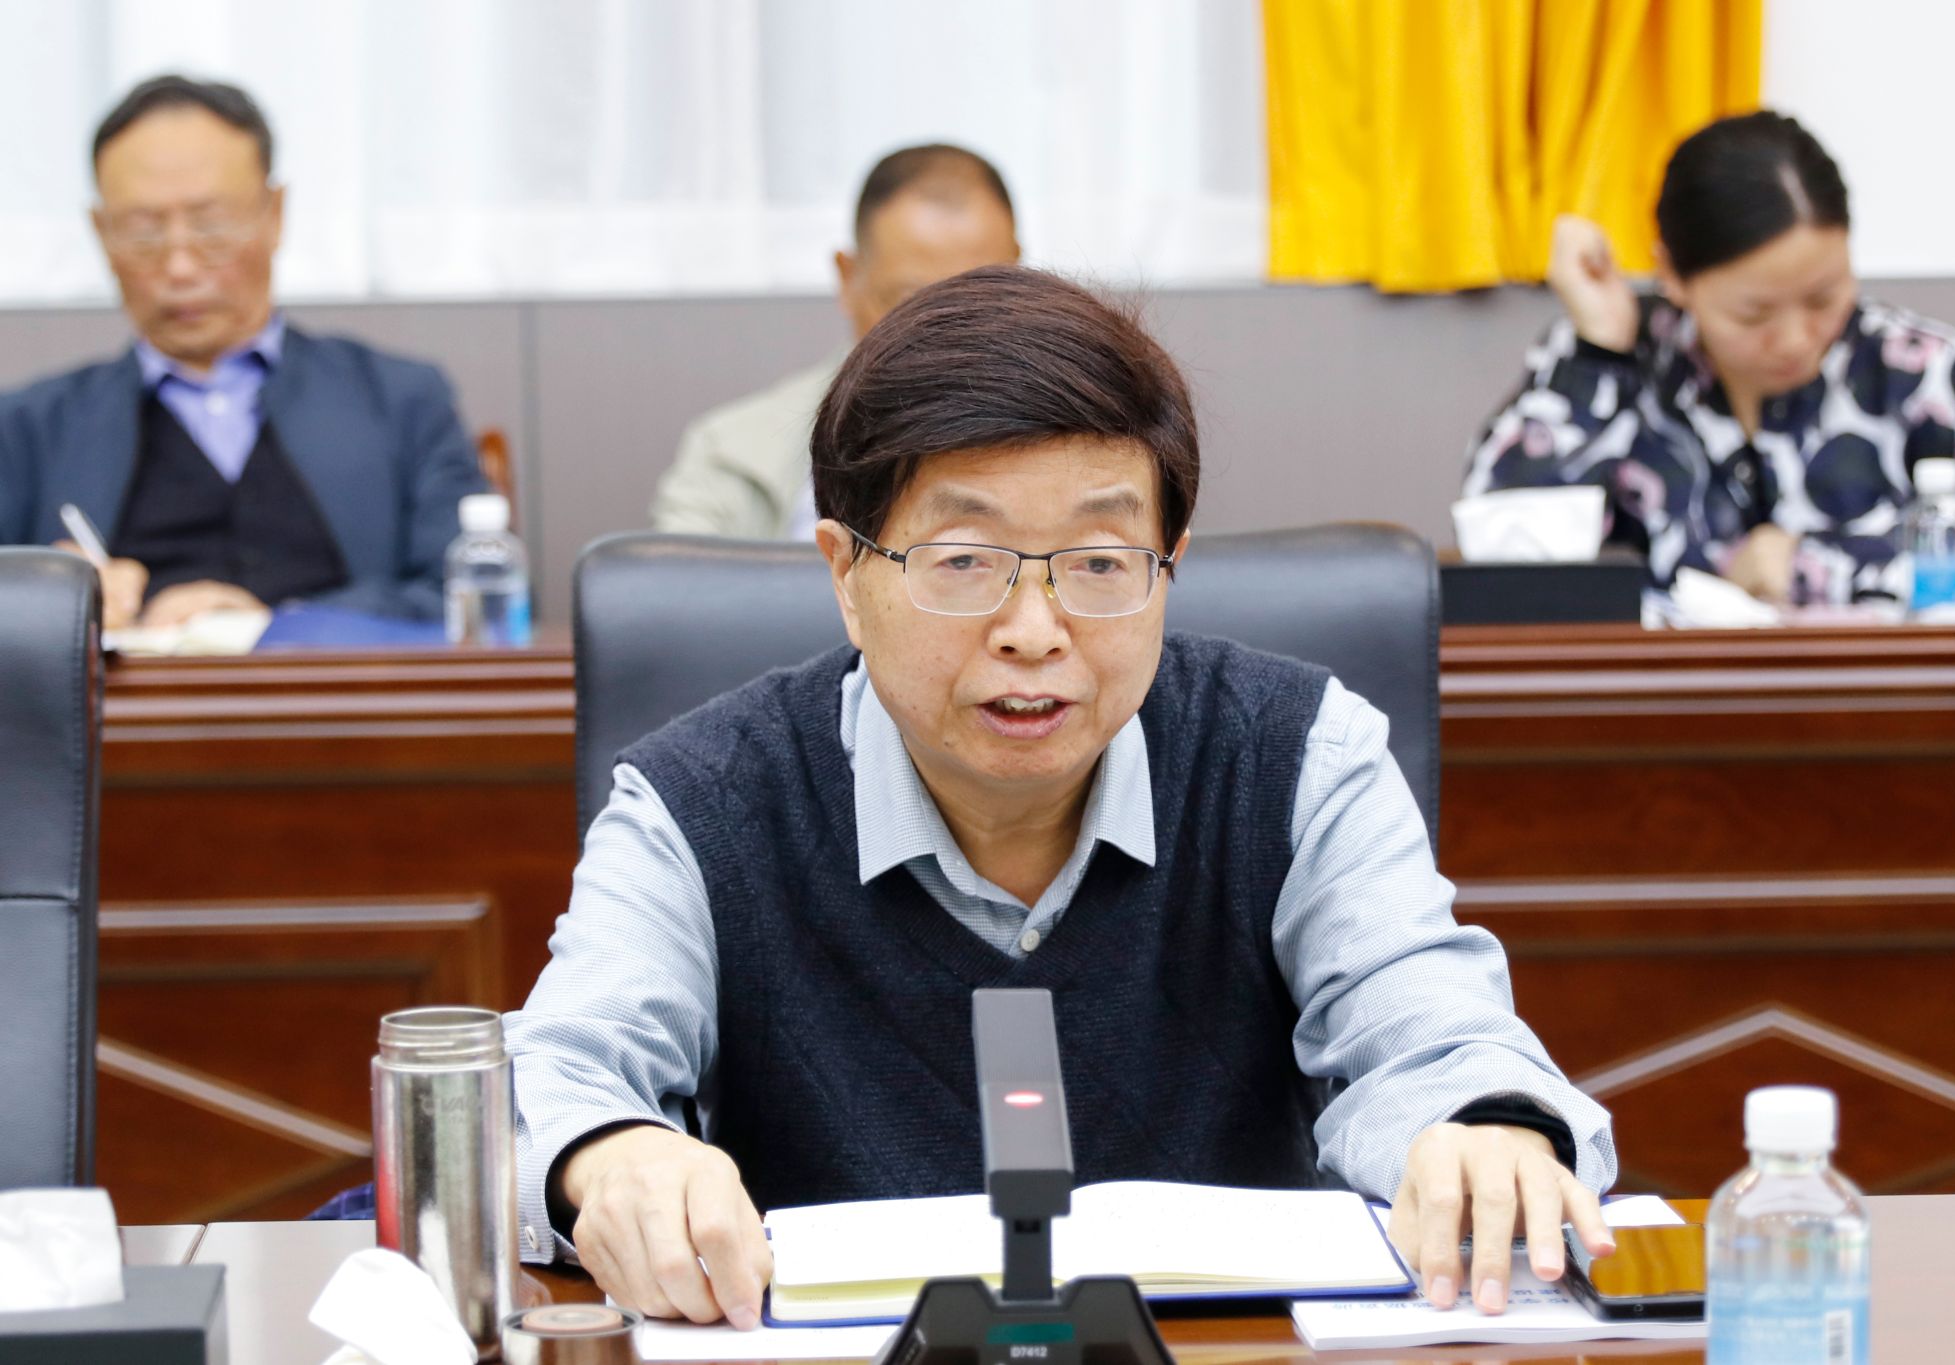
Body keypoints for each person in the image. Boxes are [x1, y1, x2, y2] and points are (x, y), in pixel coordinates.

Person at [509, 266, 1618, 1326]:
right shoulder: (697, 802)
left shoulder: (1299, 757)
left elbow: (1430, 1026)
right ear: (845, 574)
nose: (1034, 632)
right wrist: (610, 1157)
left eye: (1098, 563)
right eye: (963, 562)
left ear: (1168, 563)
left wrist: (1485, 1131)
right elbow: (559, 1072)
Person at [1465, 110, 1955, 612]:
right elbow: (1502, 561)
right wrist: (1598, 351)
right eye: (1754, 314)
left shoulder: (1921, 370)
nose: (1795, 340)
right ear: (1673, 275)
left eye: (1823, 298)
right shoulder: (1610, 361)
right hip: (1650, 700)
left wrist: (1819, 567)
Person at [0, 74, 490, 630]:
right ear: (100, 233)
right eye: (142, 231)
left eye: (212, 225)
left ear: (274, 214)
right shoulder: (27, 431)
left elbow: (472, 600)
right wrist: (49, 605)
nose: (180, 267)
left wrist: (280, 625)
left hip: (336, 686)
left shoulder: (403, 402)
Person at [649, 144, 1021, 540]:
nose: (950, 334)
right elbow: (682, 574)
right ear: (848, 277)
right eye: (911, 304)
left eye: (982, 300)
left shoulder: (1067, 441)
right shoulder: (736, 452)